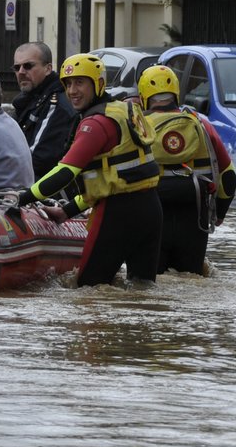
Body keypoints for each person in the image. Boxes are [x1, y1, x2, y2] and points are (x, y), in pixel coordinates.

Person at [10, 53, 162, 286]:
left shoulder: (95, 123)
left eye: (80, 82)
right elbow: (112, 179)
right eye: (68, 84)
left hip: (117, 216)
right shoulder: (122, 110)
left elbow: (64, 173)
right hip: (150, 210)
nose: (72, 91)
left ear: (98, 84)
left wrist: (23, 197)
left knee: (87, 290)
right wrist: (67, 210)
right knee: (141, 290)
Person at [138, 64, 236, 276]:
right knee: (190, 285)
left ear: (143, 96)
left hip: (150, 217)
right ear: (176, 93)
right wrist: (220, 213)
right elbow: (228, 176)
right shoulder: (201, 124)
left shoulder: (136, 127)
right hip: (195, 219)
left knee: (145, 287)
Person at [10, 41, 78, 176]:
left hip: (44, 185)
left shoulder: (55, 104)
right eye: (17, 68)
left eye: (28, 66)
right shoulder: (28, 100)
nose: (21, 72)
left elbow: (37, 160)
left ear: (47, 69)